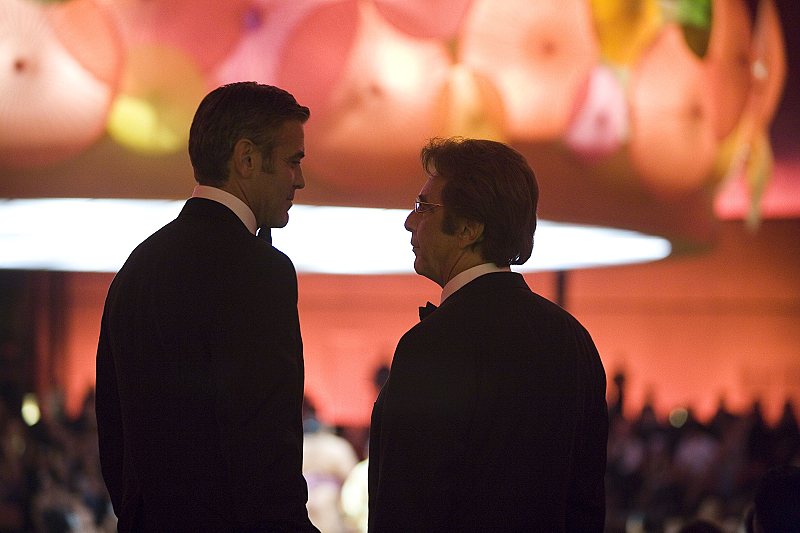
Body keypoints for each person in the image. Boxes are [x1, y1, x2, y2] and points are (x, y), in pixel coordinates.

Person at [95, 82, 319, 532]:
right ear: (247, 159)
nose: (299, 179)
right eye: (293, 160)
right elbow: (265, 444)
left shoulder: (137, 266)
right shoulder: (260, 270)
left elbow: (113, 432)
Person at [368, 137, 608, 532]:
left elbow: (405, 504)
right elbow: (587, 503)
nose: (409, 221)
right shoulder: (574, 339)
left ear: (468, 228)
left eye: (424, 207)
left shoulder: (431, 344)